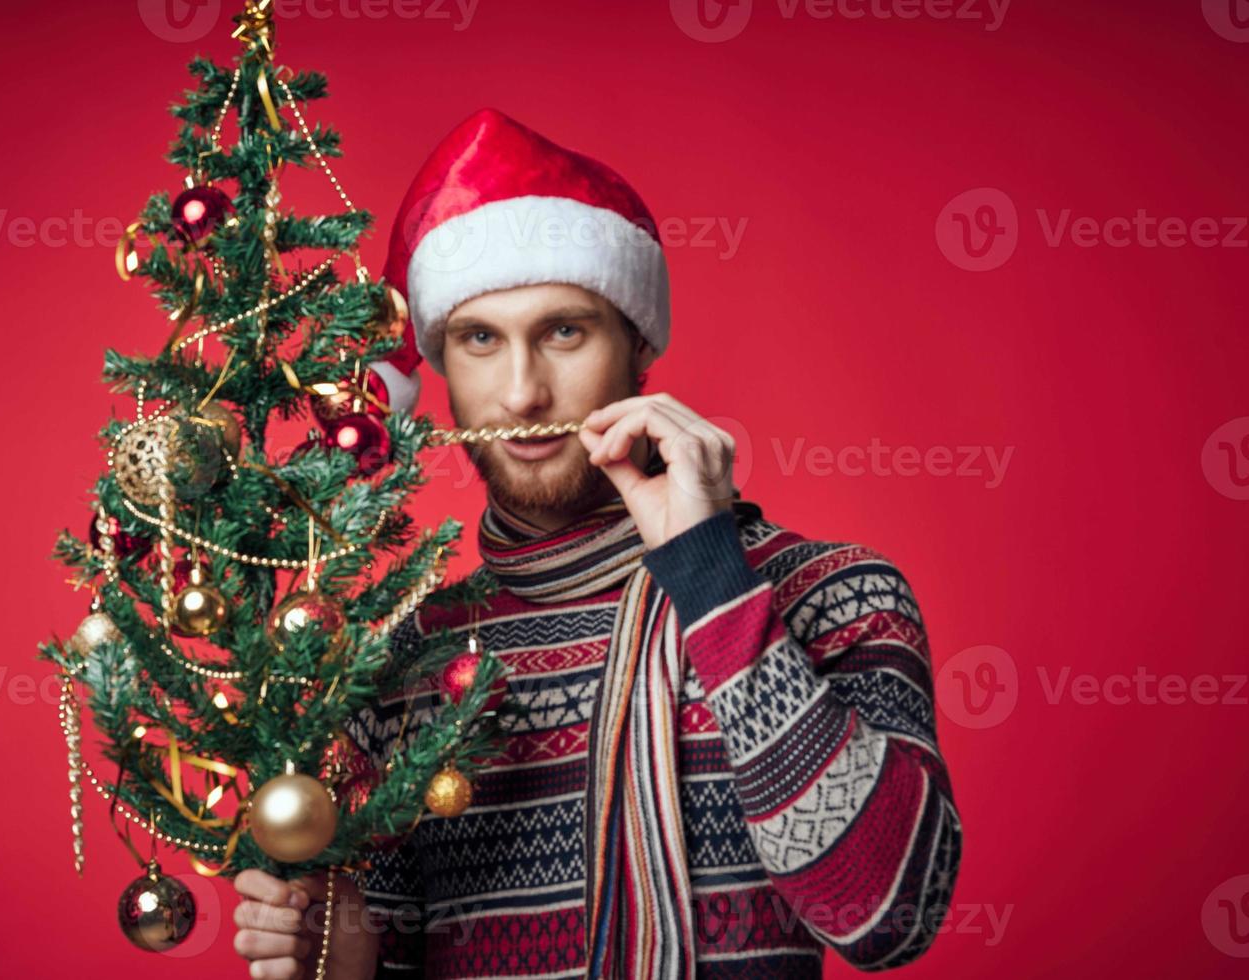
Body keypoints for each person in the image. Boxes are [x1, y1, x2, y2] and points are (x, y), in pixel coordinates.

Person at [232, 108, 962, 980]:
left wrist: (712, 579)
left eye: (564, 332)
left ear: (637, 348)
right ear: (443, 364)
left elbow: (888, 915)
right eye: (479, 340)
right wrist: (345, 966)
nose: (523, 393)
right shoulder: (407, 657)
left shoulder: (833, 593)